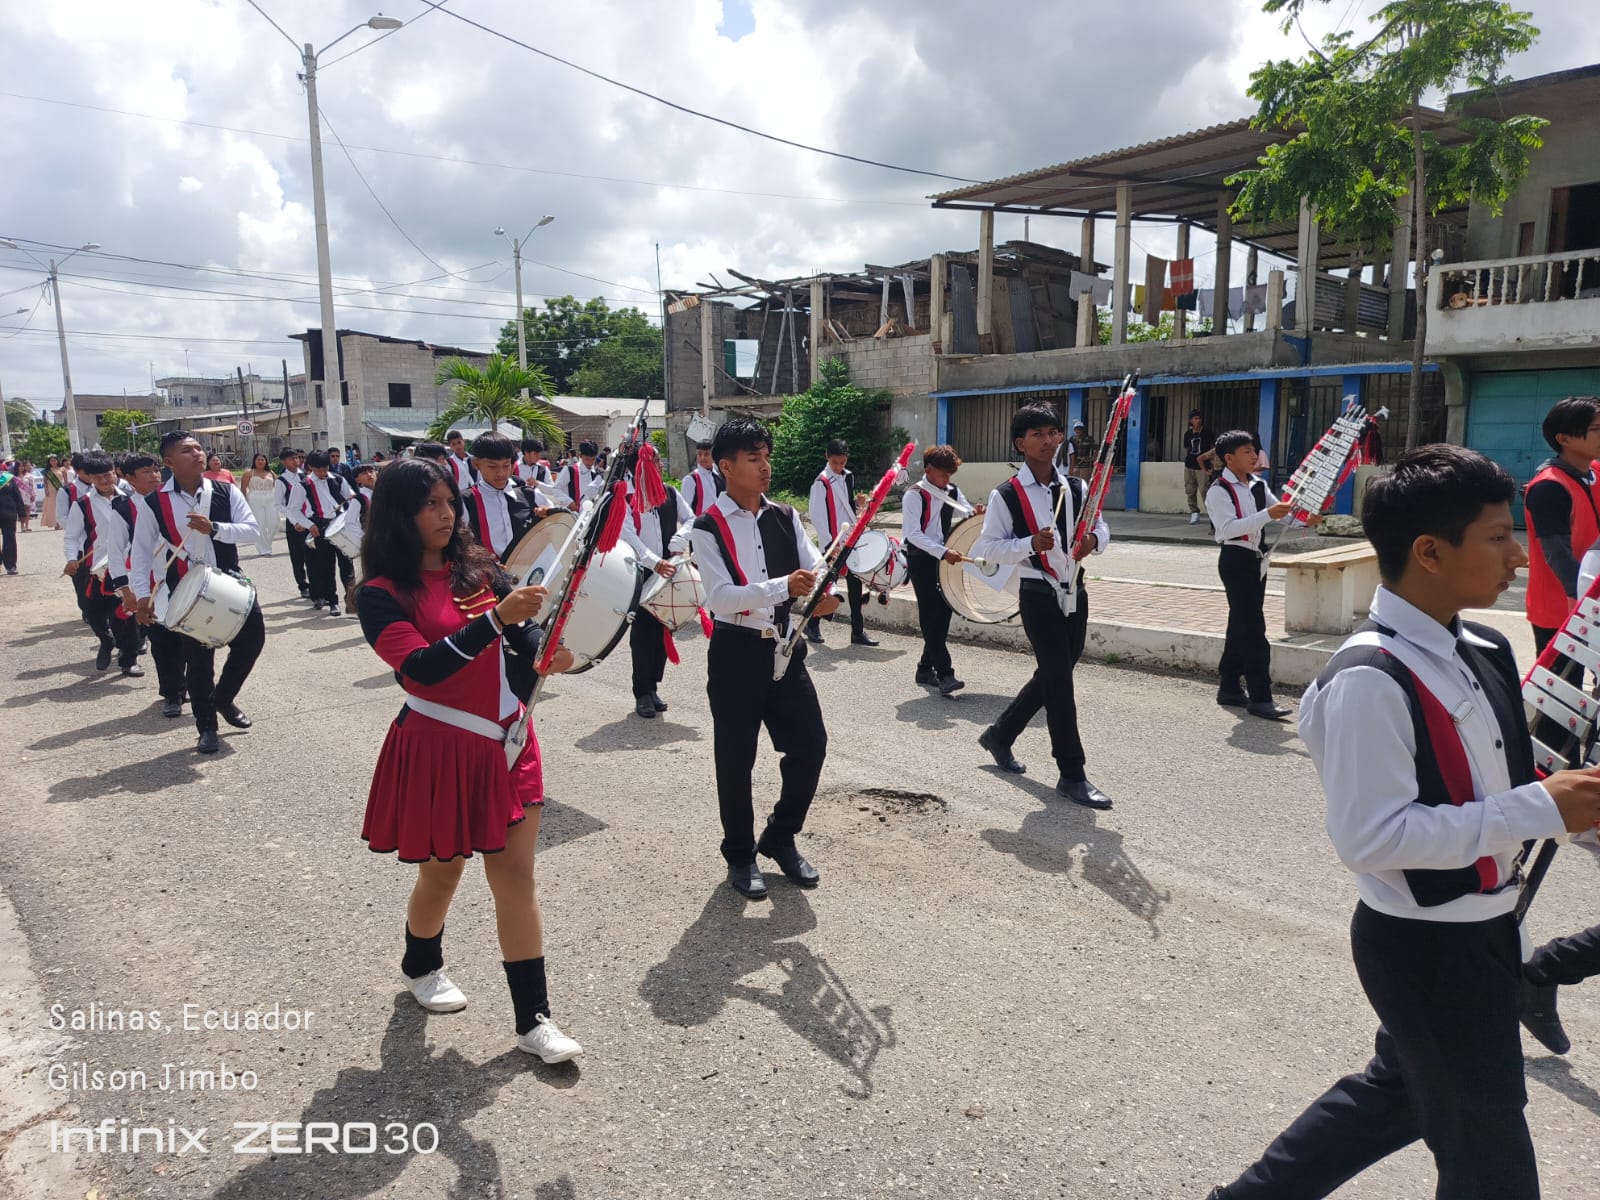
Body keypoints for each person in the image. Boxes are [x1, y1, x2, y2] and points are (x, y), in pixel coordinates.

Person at [1209, 444, 1600, 1200]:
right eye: (1497, 537)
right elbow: (1373, 839)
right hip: (1426, 948)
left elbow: (1500, 784)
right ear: (1429, 552)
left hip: (1487, 931)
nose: (1518, 556)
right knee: (1491, 1161)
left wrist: (1568, 808)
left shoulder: (1483, 646)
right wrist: (1540, 807)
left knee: (1396, 1096)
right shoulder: (1369, 678)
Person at [354, 457, 583, 1064]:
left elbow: (524, 639)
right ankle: (421, 964)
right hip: (440, 747)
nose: (445, 514)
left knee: (516, 878)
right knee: (443, 875)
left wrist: (551, 652)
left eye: (449, 502)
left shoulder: (481, 570)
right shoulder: (379, 595)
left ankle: (534, 1021)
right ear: (397, 515)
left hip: (510, 741)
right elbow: (421, 670)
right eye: (429, 504)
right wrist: (496, 620)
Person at [690, 417, 838, 900]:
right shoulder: (706, 527)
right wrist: (783, 587)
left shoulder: (785, 516)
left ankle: (779, 836)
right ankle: (739, 854)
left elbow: (815, 566)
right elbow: (719, 597)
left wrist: (823, 592)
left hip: (784, 648)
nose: (765, 466)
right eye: (753, 458)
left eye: (766, 456)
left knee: (810, 746)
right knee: (736, 759)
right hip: (735, 652)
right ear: (726, 466)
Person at [973, 403, 1112, 809]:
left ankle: (1000, 734)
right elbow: (988, 548)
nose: (1048, 441)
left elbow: (1100, 525)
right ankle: (1072, 773)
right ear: (1021, 443)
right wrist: (1029, 544)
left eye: (1053, 433)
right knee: (1060, 683)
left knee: (1055, 673)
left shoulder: (1078, 488)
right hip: (1037, 594)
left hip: (1075, 591)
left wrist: (1094, 541)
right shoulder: (1006, 495)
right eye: (1037, 434)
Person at [130, 431, 267, 754]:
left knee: (252, 640)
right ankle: (206, 727)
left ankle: (224, 698)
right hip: (186, 588)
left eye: (198, 448)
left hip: (229, 581)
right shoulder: (154, 502)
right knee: (199, 659)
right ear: (169, 462)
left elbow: (252, 530)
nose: (197, 453)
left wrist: (215, 528)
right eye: (187, 450)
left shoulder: (226, 490)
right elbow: (140, 552)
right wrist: (142, 597)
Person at [1204, 430, 1312, 721]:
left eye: (1254, 450)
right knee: (1253, 629)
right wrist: (1268, 515)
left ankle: (1229, 687)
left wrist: (1306, 518)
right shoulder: (1219, 490)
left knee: (1240, 623)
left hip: (1257, 561)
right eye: (1247, 452)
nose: (1254, 456)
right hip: (1235, 561)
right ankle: (1260, 697)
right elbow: (1227, 530)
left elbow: (1284, 513)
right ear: (1229, 458)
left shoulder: (1258, 485)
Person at [619, 450, 693, 719]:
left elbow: (691, 519)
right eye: (654, 463)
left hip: (667, 571)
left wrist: (678, 541)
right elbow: (629, 537)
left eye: (659, 462)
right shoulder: (626, 498)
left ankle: (653, 687)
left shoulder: (670, 493)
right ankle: (642, 691)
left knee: (662, 631)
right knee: (642, 635)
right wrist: (654, 561)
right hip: (640, 574)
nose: (660, 466)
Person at [901, 444, 981, 695]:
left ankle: (925, 668)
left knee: (944, 611)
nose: (947, 479)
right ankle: (945, 673)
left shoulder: (951, 491)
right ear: (928, 470)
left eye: (950, 475)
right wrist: (943, 552)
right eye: (943, 474)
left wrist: (976, 514)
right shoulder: (914, 495)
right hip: (921, 559)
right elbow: (913, 534)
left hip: (944, 558)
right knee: (930, 614)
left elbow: (967, 511)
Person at [1523, 395, 1600, 653]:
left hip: (1593, 600)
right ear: (1564, 438)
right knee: (1562, 678)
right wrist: (1584, 600)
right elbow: (1558, 554)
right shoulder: (1549, 487)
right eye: (1596, 429)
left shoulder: (1595, 472)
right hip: (1562, 608)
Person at [61, 453, 143, 674]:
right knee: (93, 613)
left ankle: (129, 660)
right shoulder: (82, 504)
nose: (105, 481)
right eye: (98, 478)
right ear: (90, 478)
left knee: (125, 614)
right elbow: (71, 536)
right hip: (94, 567)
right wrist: (71, 558)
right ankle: (106, 641)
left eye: (108, 475)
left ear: (115, 473)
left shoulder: (130, 500)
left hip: (124, 565)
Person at [806, 438, 877, 647]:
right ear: (827, 457)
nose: (838, 466)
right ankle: (812, 624)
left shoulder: (848, 477)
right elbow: (817, 516)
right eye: (835, 462)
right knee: (826, 586)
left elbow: (844, 506)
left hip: (850, 538)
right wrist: (830, 544)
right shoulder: (821, 482)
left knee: (855, 586)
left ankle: (857, 631)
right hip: (834, 542)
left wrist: (857, 503)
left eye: (842, 462)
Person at [461, 434, 542, 564]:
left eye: (506, 465)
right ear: (476, 464)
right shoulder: (466, 501)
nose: (501, 473)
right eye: (492, 467)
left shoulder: (529, 495)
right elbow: (461, 545)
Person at [293, 450, 355, 616]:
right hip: (320, 526)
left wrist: (351, 508)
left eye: (325, 468)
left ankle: (352, 601)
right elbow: (294, 510)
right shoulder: (303, 485)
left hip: (341, 525)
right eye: (319, 469)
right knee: (326, 566)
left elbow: (350, 498)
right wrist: (309, 525)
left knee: (347, 565)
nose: (323, 472)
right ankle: (333, 601)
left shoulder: (338, 479)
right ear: (311, 467)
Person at [274, 449, 311, 597]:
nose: (296, 461)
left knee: (312, 554)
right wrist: (294, 519)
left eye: (297, 458)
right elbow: (278, 504)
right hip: (294, 522)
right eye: (291, 459)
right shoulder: (282, 481)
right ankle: (303, 585)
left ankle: (316, 584)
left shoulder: (305, 476)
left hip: (308, 519)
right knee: (297, 555)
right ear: (283, 462)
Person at [1181, 410, 1216, 525]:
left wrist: (1212, 465)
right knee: (1190, 490)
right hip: (1190, 465)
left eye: (1199, 418)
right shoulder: (1188, 434)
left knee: (1204, 490)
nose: (1198, 420)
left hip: (1203, 466)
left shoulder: (1207, 432)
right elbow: (1187, 450)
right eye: (1195, 419)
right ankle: (1194, 512)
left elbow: (1212, 450)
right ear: (1191, 421)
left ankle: (1212, 513)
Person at [240, 453, 278, 555]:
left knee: (274, 523)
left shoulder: (271, 473)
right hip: (254, 499)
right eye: (258, 460)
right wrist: (244, 503)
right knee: (260, 524)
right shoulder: (249, 473)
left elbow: (278, 486)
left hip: (270, 498)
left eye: (262, 460)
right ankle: (264, 549)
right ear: (254, 461)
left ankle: (267, 544)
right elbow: (243, 489)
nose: (260, 461)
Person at [682, 441, 724, 516]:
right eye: (699, 454)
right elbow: (684, 510)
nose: (702, 458)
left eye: (706, 454)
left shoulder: (720, 477)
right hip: (699, 522)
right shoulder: (691, 479)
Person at [556, 441, 603, 509]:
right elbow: (556, 488)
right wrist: (569, 502)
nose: (590, 463)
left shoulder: (599, 474)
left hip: (591, 513)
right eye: (587, 459)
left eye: (593, 459)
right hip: (574, 513)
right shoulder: (570, 470)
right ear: (580, 455)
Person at [0, 462, 24, 575]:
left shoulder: (7, 478)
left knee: (9, 540)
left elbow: (16, 495)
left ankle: (10, 565)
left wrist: (22, 512)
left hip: (8, 513)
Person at [42, 455, 63, 530]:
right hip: (51, 490)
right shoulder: (47, 471)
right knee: (53, 507)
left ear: (57, 461)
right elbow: (45, 482)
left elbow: (66, 481)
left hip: (60, 488)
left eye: (55, 460)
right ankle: (55, 523)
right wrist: (46, 490)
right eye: (51, 461)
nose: (53, 462)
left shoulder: (62, 469)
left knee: (60, 506)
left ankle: (60, 523)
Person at [15, 459, 34, 532]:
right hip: (18, 495)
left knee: (27, 511)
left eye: (22, 466)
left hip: (27, 494)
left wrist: (33, 495)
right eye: (19, 466)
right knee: (21, 511)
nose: (21, 468)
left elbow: (32, 486)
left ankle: (26, 526)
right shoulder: (14, 476)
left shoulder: (29, 476)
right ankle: (22, 526)